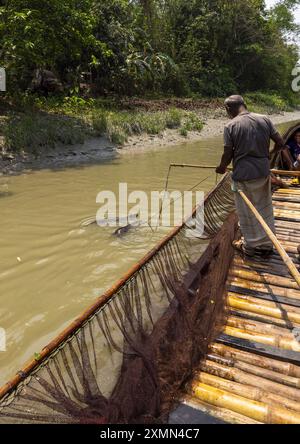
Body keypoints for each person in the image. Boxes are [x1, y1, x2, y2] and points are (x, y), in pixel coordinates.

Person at [216, 95, 287, 257]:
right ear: (245, 105)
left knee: (246, 211)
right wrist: (270, 153)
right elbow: (281, 143)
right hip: (263, 173)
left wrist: (221, 167)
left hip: (243, 176)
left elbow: (228, 153)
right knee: (264, 207)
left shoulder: (230, 126)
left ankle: (251, 246)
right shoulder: (264, 119)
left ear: (228, 109)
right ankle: (266, 244)